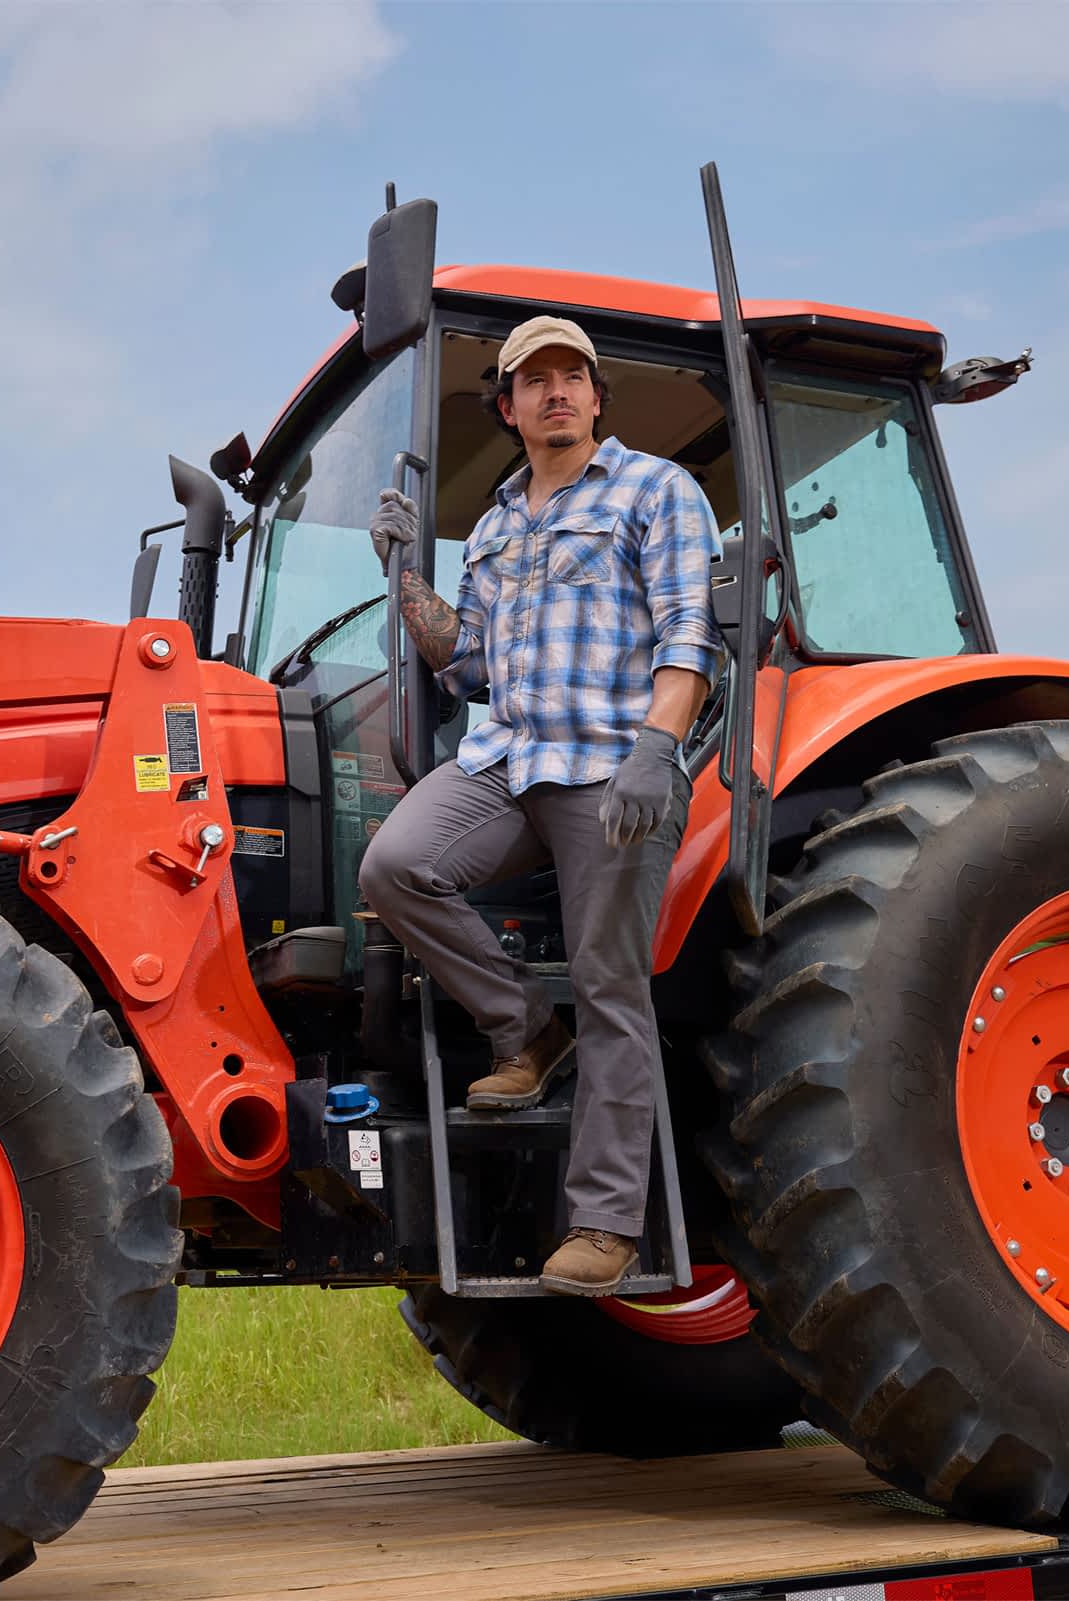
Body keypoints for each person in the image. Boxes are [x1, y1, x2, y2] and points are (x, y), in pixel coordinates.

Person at [357, 315, 723, 1295]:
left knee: (612, 977)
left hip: (614, 761)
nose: (556, 392)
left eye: (573, 377)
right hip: (511, 758)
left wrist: (658, 748)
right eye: (535, 380)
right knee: (395, 866)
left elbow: (690, 636)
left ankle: (604, 1223)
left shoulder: (657, 492)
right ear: (509, 406)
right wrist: (406, 581)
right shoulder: (495, 525)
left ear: (597, 397)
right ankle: (522, 1025)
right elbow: (468, 660)